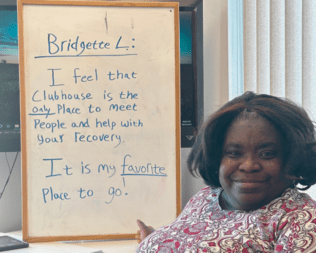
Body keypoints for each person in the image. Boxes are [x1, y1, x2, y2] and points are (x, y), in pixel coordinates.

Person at [135, 91, 316, 252]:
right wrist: (157, 238)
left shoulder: (302, 219)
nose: (248, 165)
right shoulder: (206, 197)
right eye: (234, 153)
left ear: (294, 159)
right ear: (216, 157)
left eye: (267, 154)